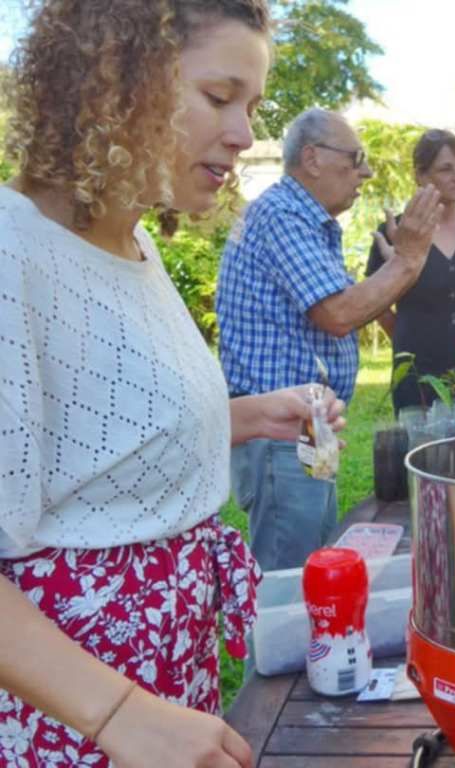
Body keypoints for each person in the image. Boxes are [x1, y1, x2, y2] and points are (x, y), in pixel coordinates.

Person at [0, 2, 346, 766]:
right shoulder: (9, 252)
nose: (246, 134)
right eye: (220, 97)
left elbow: (100, 449)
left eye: (252, 108)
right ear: (112, 83)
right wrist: (120, 712)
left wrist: (253, 417)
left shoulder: (138, 249)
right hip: (75, 712)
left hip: (167, 686)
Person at [216, 109, 441, 570]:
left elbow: (346, 306)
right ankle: (283, 645)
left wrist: (404, 262)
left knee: (313, 555)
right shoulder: (283, 215)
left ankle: (308, 643)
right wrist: (409, 260)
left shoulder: (307, 220)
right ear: (312, 158)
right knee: (289, 573)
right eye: (356, 157)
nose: (366, 171)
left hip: (307, 428)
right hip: (280, 431)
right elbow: (338, 314)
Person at [367, 129, 455, 412]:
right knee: (422, 453)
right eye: (446, 169)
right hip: (419, 373)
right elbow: (375, 304)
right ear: (421, 175)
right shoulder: (396, 233)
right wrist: (407, 338)